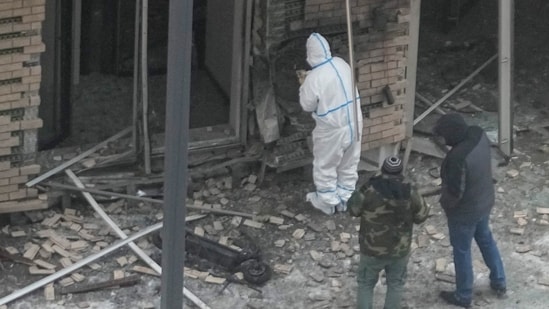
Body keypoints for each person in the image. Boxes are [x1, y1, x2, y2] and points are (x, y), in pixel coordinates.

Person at [433, 113, 507, 308]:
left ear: (452, 134)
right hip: (484, 200)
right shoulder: (478, 133)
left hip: (465, 212)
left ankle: (463, 295)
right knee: (486, 239)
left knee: (462, 251)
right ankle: (499, 281)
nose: (443, 141)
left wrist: (446, 206)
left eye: (444, 136)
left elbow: (455, 192)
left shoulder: (457, 157)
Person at [348, 156, 429, 309]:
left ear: (383, 170)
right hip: (399, 250)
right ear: (401, 172)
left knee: (365, 284)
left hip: (371, 249)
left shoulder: (368, 189)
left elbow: (353, 210)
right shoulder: (410, 191)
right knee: (395, 284)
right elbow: (422, 216)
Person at [299, 32, 363, 215]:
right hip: (355, 121)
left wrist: (303, 84)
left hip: (332, 128)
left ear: (310, 54)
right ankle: (346, 197)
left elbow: (306, 105)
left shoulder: (314, 78)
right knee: (349, 161)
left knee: (325, 164)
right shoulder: (341, 64)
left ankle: (327, 202)